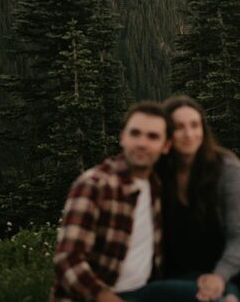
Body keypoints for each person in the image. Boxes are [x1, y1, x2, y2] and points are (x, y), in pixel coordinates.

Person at [51, 101, 201, 302]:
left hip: (144, 291)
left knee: (222, 295)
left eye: (153, 136)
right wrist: (105, 297)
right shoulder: (94, 185)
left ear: (166, 146)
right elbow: (67, 260)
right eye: (135, 133)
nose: (142, 143)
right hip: (95, 296)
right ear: (122, 137)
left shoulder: (156, 185)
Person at [158, 95, 240, 302]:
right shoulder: (157, 174)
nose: (189, 134)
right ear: (166, 133)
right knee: (227, 297)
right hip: (184, 271)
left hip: (235, 264)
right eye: (179, 127)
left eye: (195, 125)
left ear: (203, 129)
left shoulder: (227, 168)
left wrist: (220, 276)